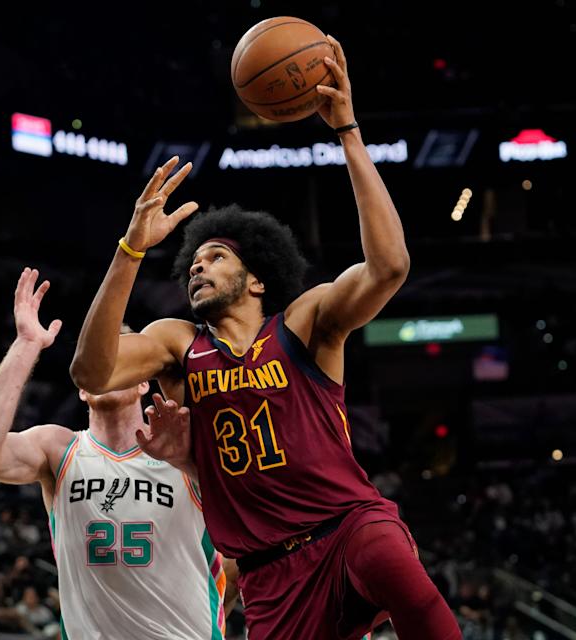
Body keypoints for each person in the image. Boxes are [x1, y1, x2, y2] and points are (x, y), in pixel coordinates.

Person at [70, 35, 461, 640]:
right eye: (192, 263)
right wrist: (131, 250)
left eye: (215, 257)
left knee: (407, 583)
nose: (197, 267)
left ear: (256, 279)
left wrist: (348, 132)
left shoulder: (303, 324)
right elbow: (91, 373)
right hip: (268, 572)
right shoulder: (179, 344)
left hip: (348, 526)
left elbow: (389, 267)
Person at [0, 268, 237, 639]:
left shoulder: (184, 448)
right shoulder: (58, 449)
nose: (106, 371)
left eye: (117, 361)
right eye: (97, 366)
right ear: (83, 388)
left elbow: (245, 531)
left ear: (142, 381)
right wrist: (27, 343)